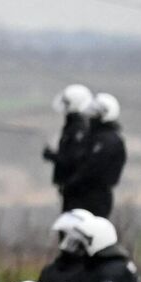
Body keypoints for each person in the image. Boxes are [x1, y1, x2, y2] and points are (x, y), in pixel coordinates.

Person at [60, 93, 126, 217]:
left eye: (94, 115)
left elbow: (92, 169)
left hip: (92, 197)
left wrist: (72, 183)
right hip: (81, 195)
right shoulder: (95, 137)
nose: (90, 118)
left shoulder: (107, 141)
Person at [43, 83, 94, 213]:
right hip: (70, 186)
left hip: (76, 189)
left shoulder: (79, 128)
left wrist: (52, 156)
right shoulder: (74, 126)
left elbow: (72, 159)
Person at [37, 208, 92, 282]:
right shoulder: (49, 272)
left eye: (64, 234)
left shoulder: (91, 273)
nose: (62, 238)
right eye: (62, 234)